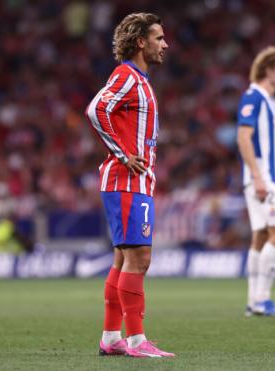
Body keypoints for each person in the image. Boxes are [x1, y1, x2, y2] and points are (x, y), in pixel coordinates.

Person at [85, 13, 173, 358]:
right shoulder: (127, 76)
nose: (165, 44)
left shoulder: (140, 79)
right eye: (159, 38)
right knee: (140, 258)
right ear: (141, 42)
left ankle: (111, 337)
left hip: (133, 182)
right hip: (126, 181)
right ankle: (137, 341)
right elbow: (96, 109)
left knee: (123, 259)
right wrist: (123, 154)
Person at [237, 45, 275, 317]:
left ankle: (252, 302)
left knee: (260, 236)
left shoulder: (271, 102)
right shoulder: (254, 96)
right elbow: (243, 137)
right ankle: (262, 299)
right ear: (268, 70)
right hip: (262, 179)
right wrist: (258, 177)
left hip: (270, 180)